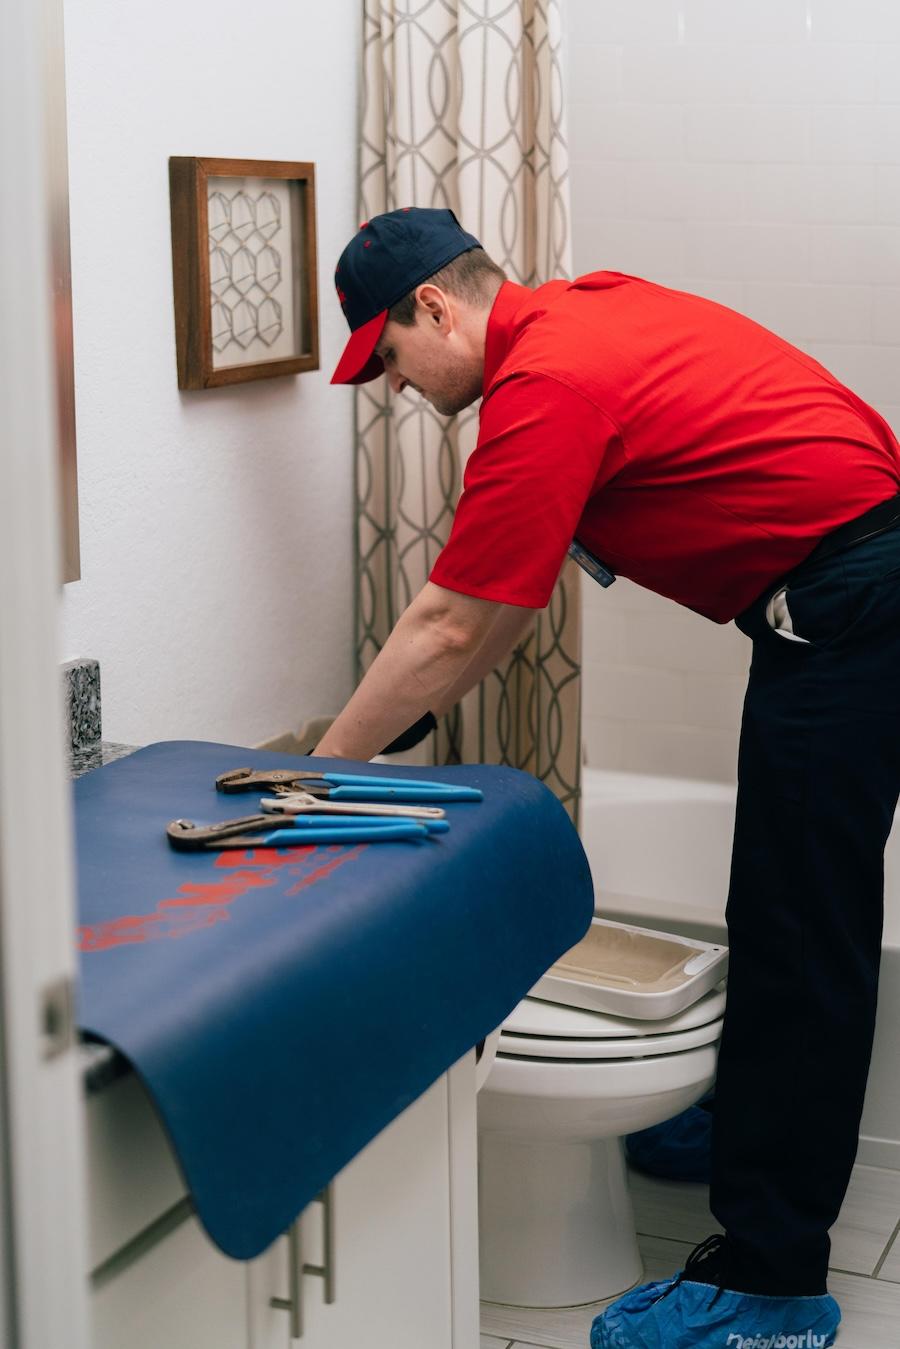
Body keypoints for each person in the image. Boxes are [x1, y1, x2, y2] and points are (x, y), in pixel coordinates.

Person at [314, 206, 900, 1349]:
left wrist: (319, 772)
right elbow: (494, 611)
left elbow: (447, 622)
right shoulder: (591, 312)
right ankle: (748, 1130)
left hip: (854, 610)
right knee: (780, 907)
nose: (395, 385)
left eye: (389, 355)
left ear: (434, 305)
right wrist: (390, 729)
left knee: (802, 931)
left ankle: (773, 1283)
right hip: (852, 593)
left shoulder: (547, 385)